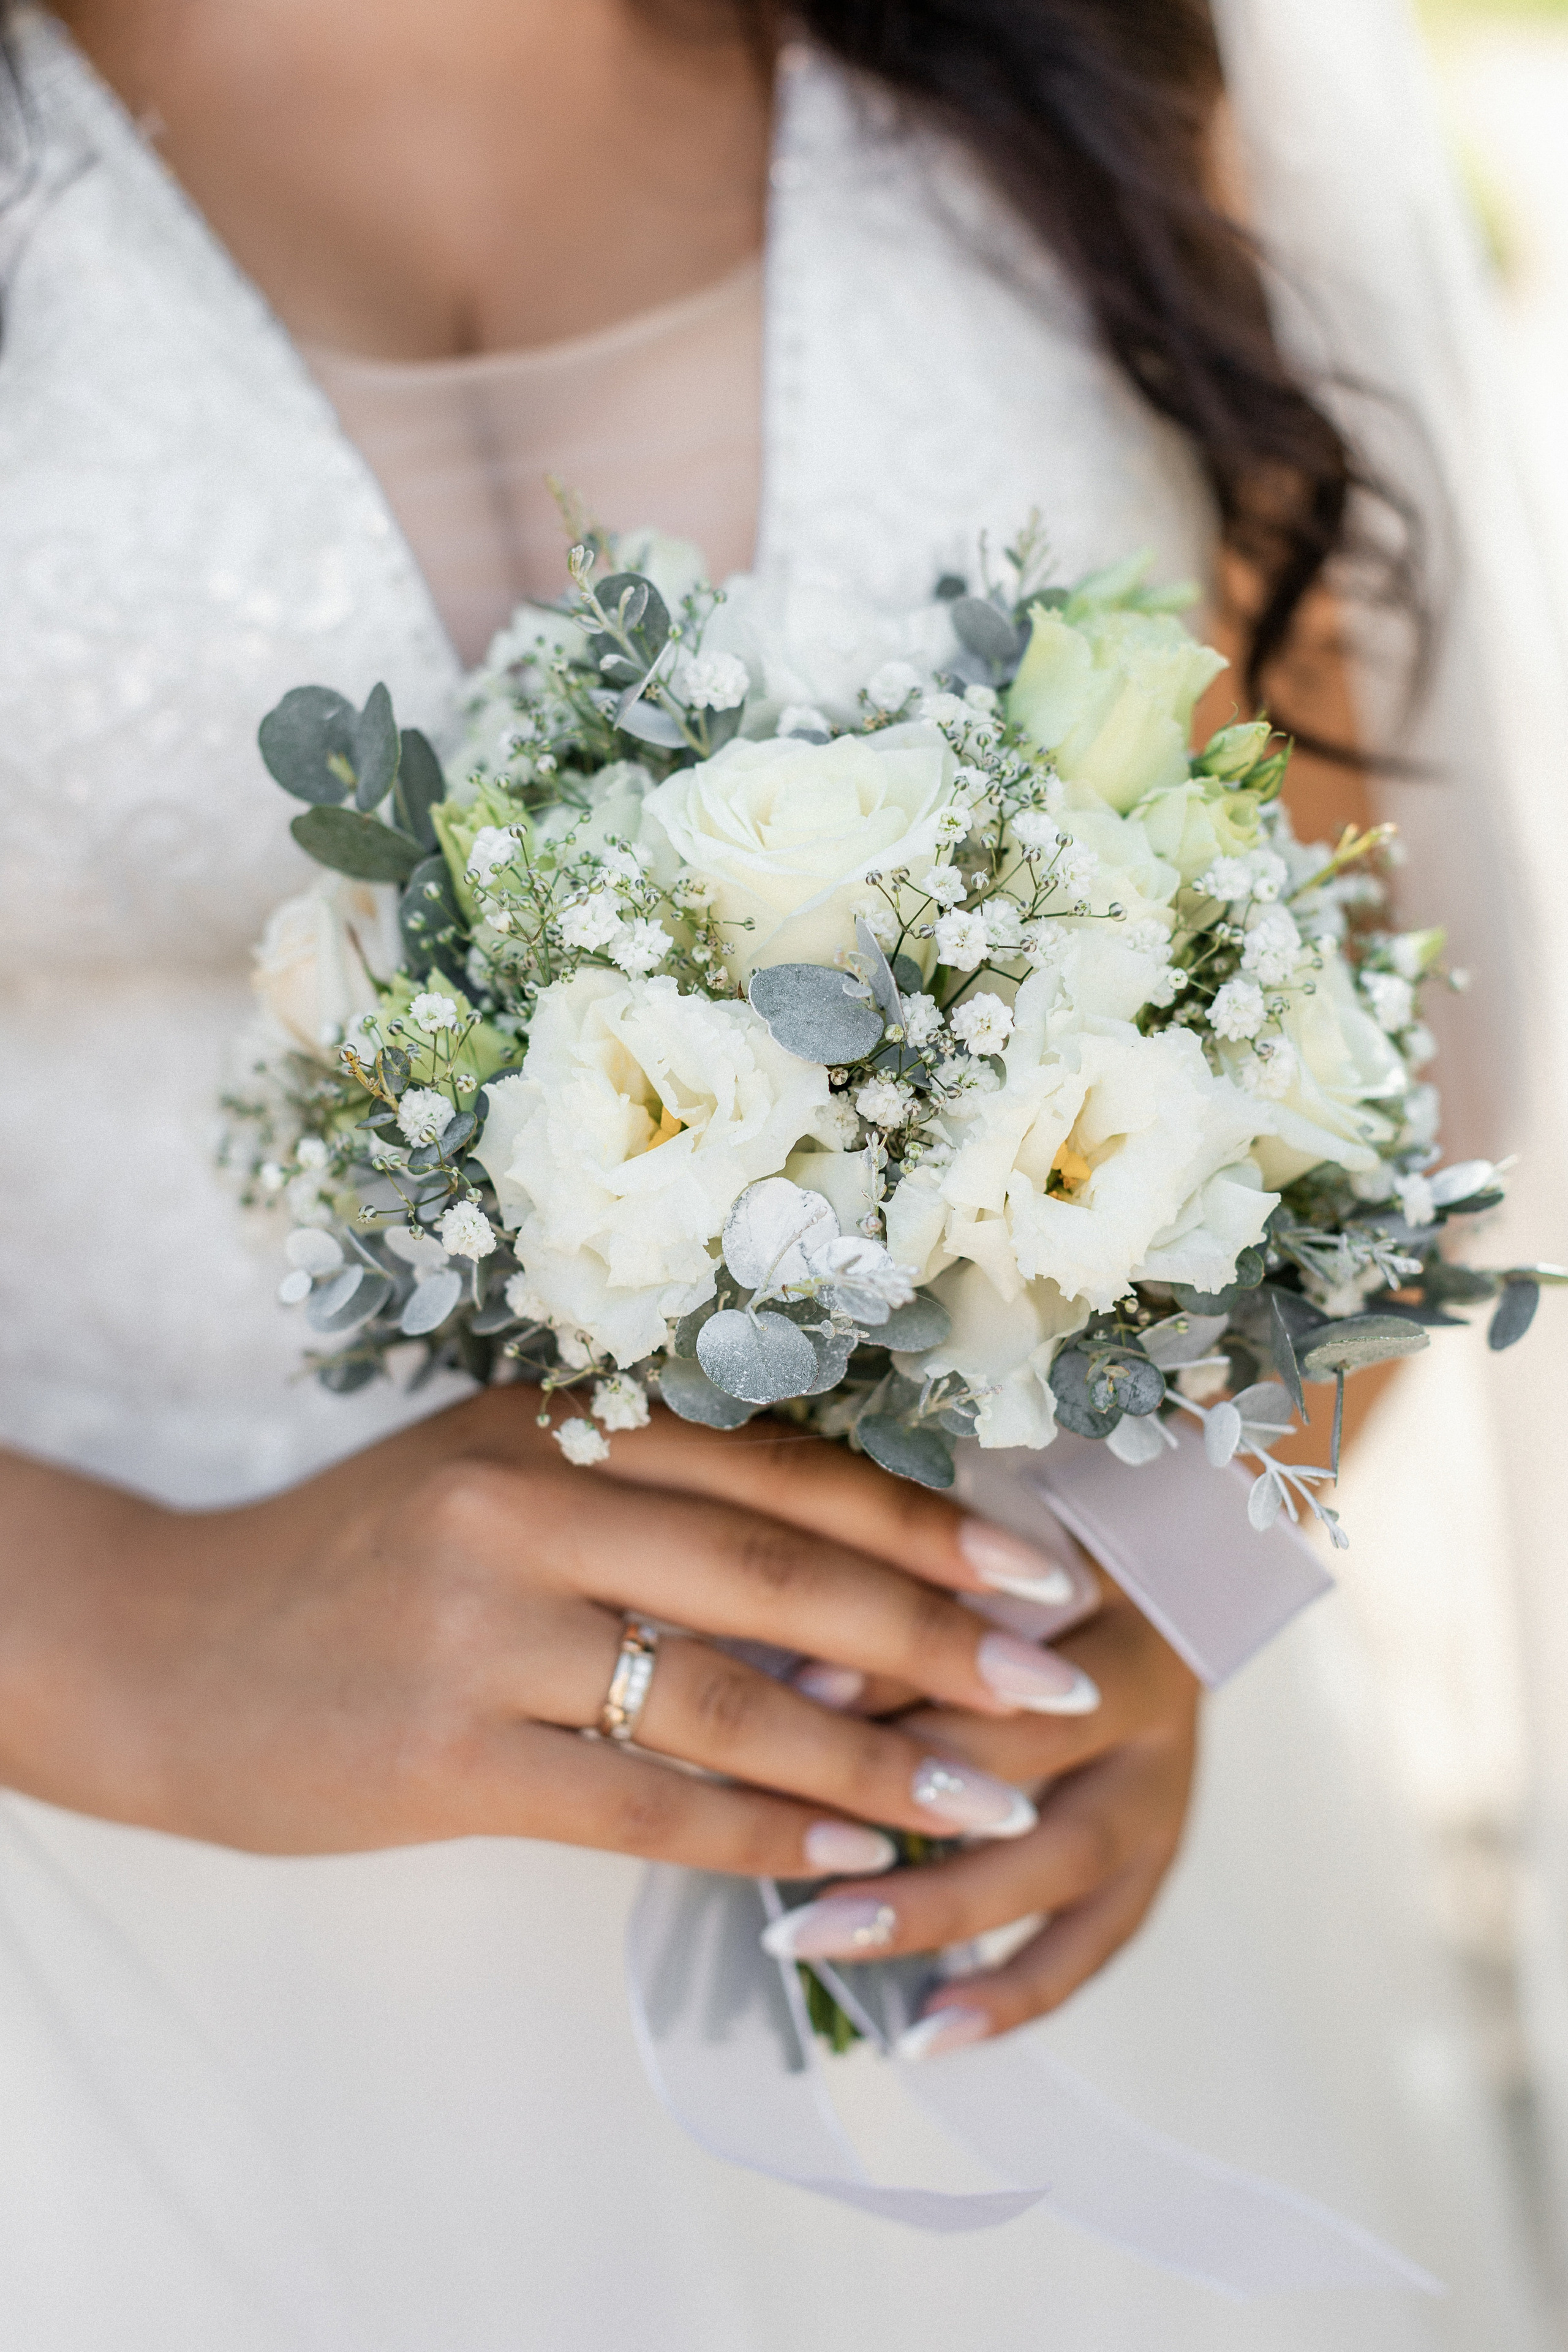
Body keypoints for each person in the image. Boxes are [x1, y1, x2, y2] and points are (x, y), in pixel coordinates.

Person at [0, 2, 1544, 2345]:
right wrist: (120, 1645)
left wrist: (1192, 1562)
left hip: (992, 1886)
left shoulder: (1093, 49)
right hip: (113, 1967)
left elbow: (1354, 911)